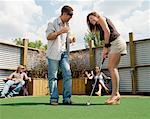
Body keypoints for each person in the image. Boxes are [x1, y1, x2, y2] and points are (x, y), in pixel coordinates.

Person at [87, 12, 127, 105]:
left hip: (117, 43)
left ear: (96, 16)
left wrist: (105, 47)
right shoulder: (98, 24)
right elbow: (107, 37)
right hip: (113, 44)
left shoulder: (101, 18)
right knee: (112, 67)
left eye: (92, 18)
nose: (92, 21)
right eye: (90, 20)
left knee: (112, 67)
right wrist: (107, 49)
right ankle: (115, 95)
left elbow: (107, 32)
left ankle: (115, 94)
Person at [45, 5, 75, 105]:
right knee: (53, 76)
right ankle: (54, 99)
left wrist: (71, 39)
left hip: (64, 53)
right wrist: (60, 32)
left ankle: (67, 99)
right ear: (64, 14)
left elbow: (67, 38)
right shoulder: (52, 23)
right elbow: (49, 37)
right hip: (53, 54)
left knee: (68, 74)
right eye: (69, 16)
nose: (70, 19)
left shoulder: (68, 25)